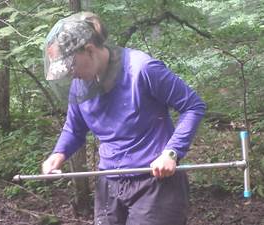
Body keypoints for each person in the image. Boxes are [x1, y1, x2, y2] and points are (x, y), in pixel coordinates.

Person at [42, 12, 206, 225]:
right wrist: (59, 153)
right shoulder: (81, 84)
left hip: (155, 182)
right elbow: (75, 128)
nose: (70, 73)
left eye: (71, 66)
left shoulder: (142, 69)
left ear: (90, 50)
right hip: (109, 183)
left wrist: (171, 152)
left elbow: (193, 106)